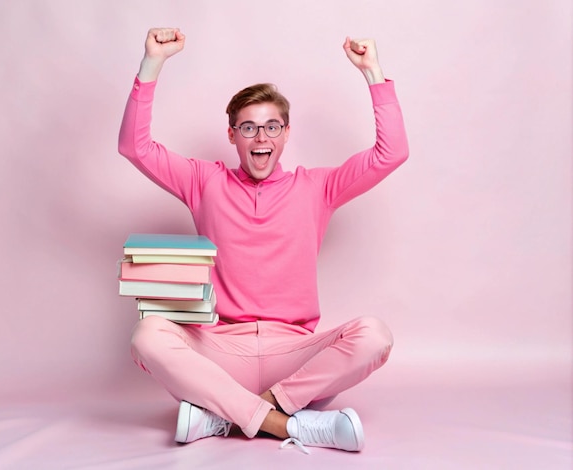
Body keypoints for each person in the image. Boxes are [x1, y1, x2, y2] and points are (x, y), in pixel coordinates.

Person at [119, 27, 409, 454]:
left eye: (272, 127)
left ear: (287, 134)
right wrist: (152, 64)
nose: (261, 138)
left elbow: (392, 153)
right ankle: (290, 425)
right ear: (232, 134)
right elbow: (135, 147)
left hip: (294, 357)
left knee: (374, 334)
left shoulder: (317, 188)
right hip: (219, 351)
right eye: (249, 128)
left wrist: (373, 73)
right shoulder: (204, 181)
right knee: (147, 334)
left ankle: (229, 416)